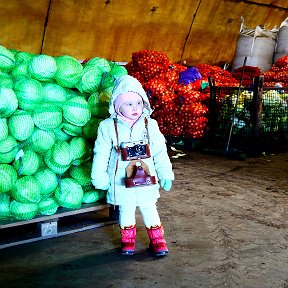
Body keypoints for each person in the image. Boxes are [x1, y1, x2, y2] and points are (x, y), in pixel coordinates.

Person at [91, 75, 174, 257]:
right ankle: (128, 241)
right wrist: (100, 178)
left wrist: (165, 173)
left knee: (149, 207)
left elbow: (160, 151)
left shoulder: (150, 125)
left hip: (146, 178)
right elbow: (101, 154)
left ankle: (158, 240)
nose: (135, 108)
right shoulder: (107, 127)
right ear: (117, 105)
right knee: (126, 209)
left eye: (138, 103)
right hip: (121, 181)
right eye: (129, 104)